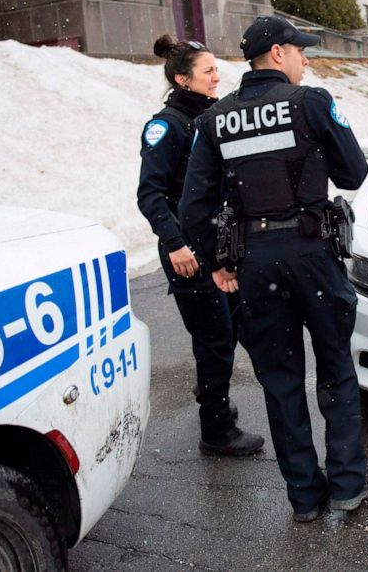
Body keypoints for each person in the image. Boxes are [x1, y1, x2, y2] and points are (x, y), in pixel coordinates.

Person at [178, 16, 368, 523]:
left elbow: (194, 207)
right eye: (300, 50)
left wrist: (219, 263)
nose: (306, 59)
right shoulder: (311, 102)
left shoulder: (215, 118)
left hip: (255, 263)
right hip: (312, 256)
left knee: (281, 380)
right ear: (279, 54)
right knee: (335, 370)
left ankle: (305, 497)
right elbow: (353, 172)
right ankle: (349, 485)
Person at [137, 34, 264, 457]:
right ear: (182, 78)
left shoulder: (211, 116)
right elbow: (150, 194)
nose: (217, 76)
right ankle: (216, 430)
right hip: (186, 253)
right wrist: (175, 243)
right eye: (208, 71)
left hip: (216, 246)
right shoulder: (165, 126)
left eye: (216, 69)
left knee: (225, 331)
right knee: (214, 337)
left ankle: (213, 395)